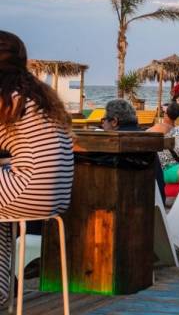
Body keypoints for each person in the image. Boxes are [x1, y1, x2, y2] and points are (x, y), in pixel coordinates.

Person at [0, 31, 74, 306]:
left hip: (26, 191)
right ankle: (2, 288)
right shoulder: (36, 96)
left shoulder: (8, 97)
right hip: (54, 197)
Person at [102, 99, 167, 202]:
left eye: (104, 120)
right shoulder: (146, 139)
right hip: (155, 209)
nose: (102, 125)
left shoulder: (113, 143)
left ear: (114, 122)